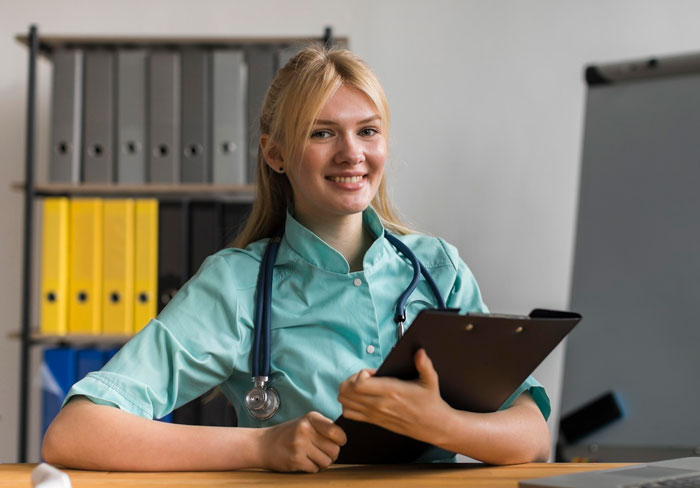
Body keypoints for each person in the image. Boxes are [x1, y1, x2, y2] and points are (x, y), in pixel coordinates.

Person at [42, 44, 551, 472]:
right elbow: (74, 434)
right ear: (275, 153)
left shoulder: (439, 268)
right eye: (322, 132)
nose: (352, 153)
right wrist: (259, 446)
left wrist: (438, 424)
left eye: (367, 131)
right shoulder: (236, 286)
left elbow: (531, 436)